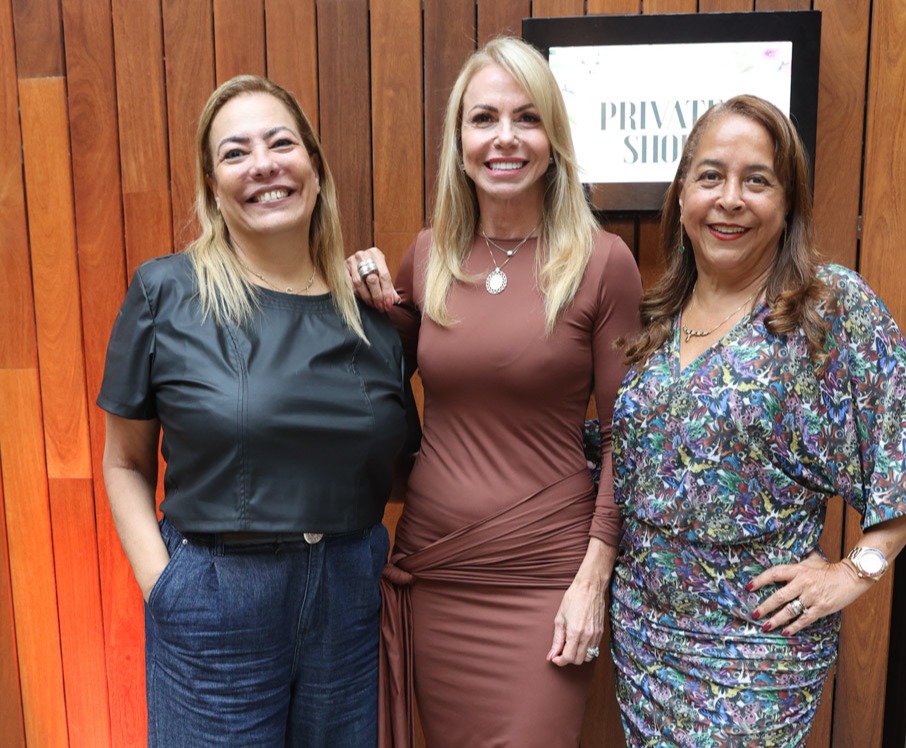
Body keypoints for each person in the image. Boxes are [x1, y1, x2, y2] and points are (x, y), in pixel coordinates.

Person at [611, 94, 906, 746]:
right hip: (645, 642)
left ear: (787, 204)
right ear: (682, 196)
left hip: (753, 659)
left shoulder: (824, 309)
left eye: (757, 180)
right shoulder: (662, 315)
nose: (730, 198)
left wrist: (853, 571)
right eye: (711, 176)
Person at [98, 75, 415, 747]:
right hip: (216, 602)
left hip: (346, 599)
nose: (264, 164)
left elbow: (401, 462)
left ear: (316, 170)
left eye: (281, 143)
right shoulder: (166, 293)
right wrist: (167, 589)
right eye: (235, 153)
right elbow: (123, 462)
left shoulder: (370, 318)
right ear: (213, 187)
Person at [349, 37, 643, 748]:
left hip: (545, 572)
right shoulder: (431, 254)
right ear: (459, 138)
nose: (505, 138)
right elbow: (407, 354)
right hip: (439, 567)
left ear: (553, 138)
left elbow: (628, 438)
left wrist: (592, 579)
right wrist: (368, 291)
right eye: (484, 119)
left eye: (527, 118)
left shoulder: (603, 263)